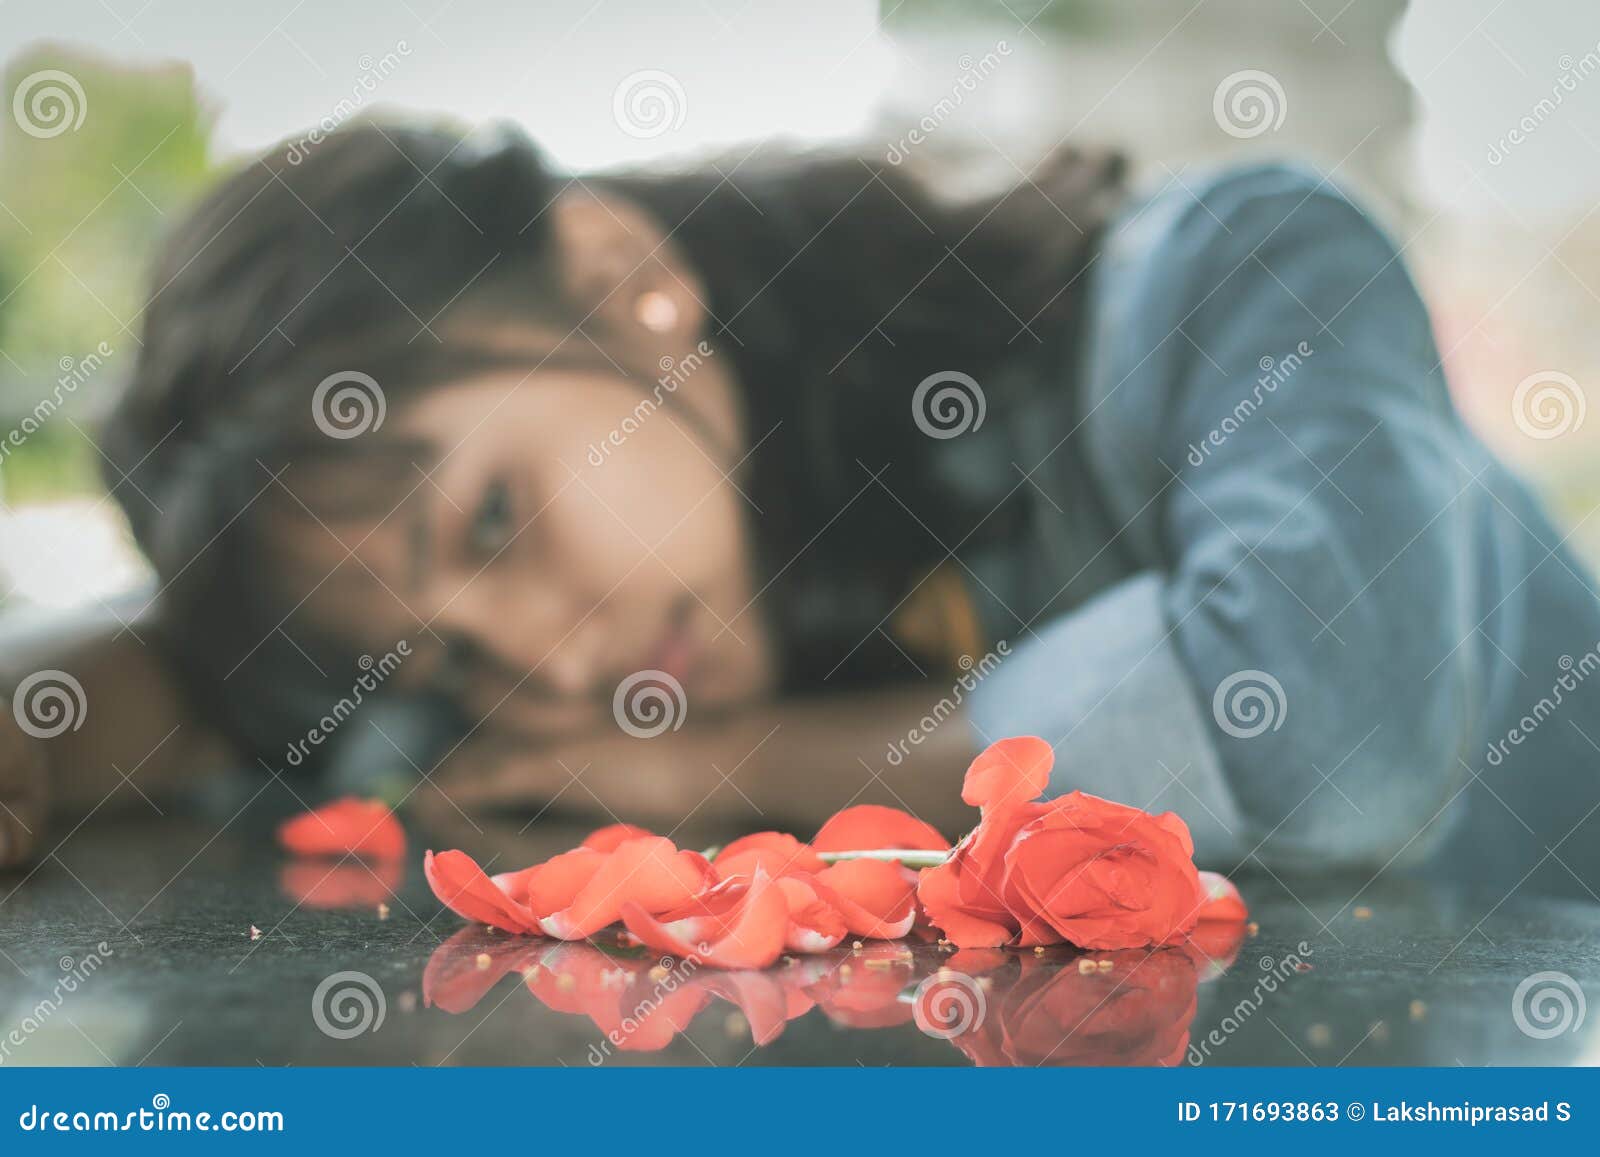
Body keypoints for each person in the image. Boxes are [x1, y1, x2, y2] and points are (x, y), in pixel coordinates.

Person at [3, 120, 1597, 899]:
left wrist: (736, 769)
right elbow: (241, 710)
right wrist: (34, 715)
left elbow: (1335, 743)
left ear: (627, 286)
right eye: (438, 659)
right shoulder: (675, 635)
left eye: (491, 520)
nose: (549, 670)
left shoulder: (1244, 273)